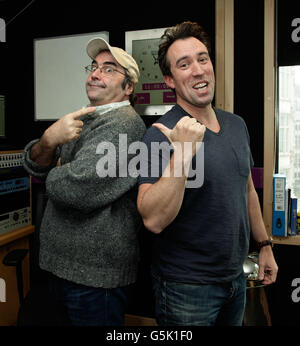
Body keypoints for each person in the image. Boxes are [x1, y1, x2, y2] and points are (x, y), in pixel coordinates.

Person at [137, 21, 278, 326]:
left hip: (235, 280)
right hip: (185, 289)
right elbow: (153, 219)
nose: (198, 70)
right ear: (169, 80)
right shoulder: (159, 134)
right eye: (184, 64)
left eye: (202, 59)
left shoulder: (237, 125)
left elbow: (247, 190)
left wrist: (264, 245)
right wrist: (183, 154)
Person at [23, 38, 146, 326]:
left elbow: (75, 188)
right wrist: (49, 140)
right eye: (93, 67)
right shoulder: (84, 118)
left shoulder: (125, 125)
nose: (95, 74)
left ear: (128, 87)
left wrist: (58, 166)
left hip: (95, 280)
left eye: (108, 69)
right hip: (62, 270)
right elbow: (34, 165)